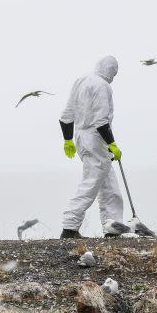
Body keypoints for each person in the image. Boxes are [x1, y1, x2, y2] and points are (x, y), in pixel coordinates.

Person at [58, 56, 125, 239]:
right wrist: (111, 143)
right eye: (114, 72)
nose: (113, 75)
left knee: (110, 187)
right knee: (91, 183)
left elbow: (66, 115)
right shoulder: (103, 86)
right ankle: (69, 228)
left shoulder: (81, 81)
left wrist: (68, 139)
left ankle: (113, 228)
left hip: (82, 138)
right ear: (111, 70)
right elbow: (101, 121)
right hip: (96, 140)